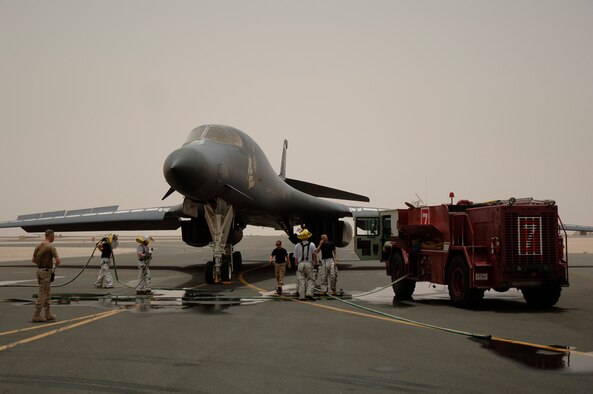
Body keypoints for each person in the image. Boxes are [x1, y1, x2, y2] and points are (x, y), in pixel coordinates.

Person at [31, 229, 61, 322]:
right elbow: (58, 261)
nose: (54, 238)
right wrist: (52, 266)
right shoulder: (51, 247)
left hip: (39, 271)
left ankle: (48, 314)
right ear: (50, 236)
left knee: (47, 292)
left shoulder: (38, 246)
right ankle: (36, 315)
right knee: (43, 293)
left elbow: (33, 260)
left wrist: (41, 264)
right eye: (54, 236)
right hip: (46, 272)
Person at [293, 229, 317, 301]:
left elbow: (296, 257)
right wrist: (315, 264)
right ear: (308, 237)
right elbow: (314, 255)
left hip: (300, 264)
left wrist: (296, 265)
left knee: (301, 280)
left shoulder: (297, 245)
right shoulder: (312, 244)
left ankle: (302, 296)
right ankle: (309, 293)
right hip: (309, 263)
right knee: (311, 279)